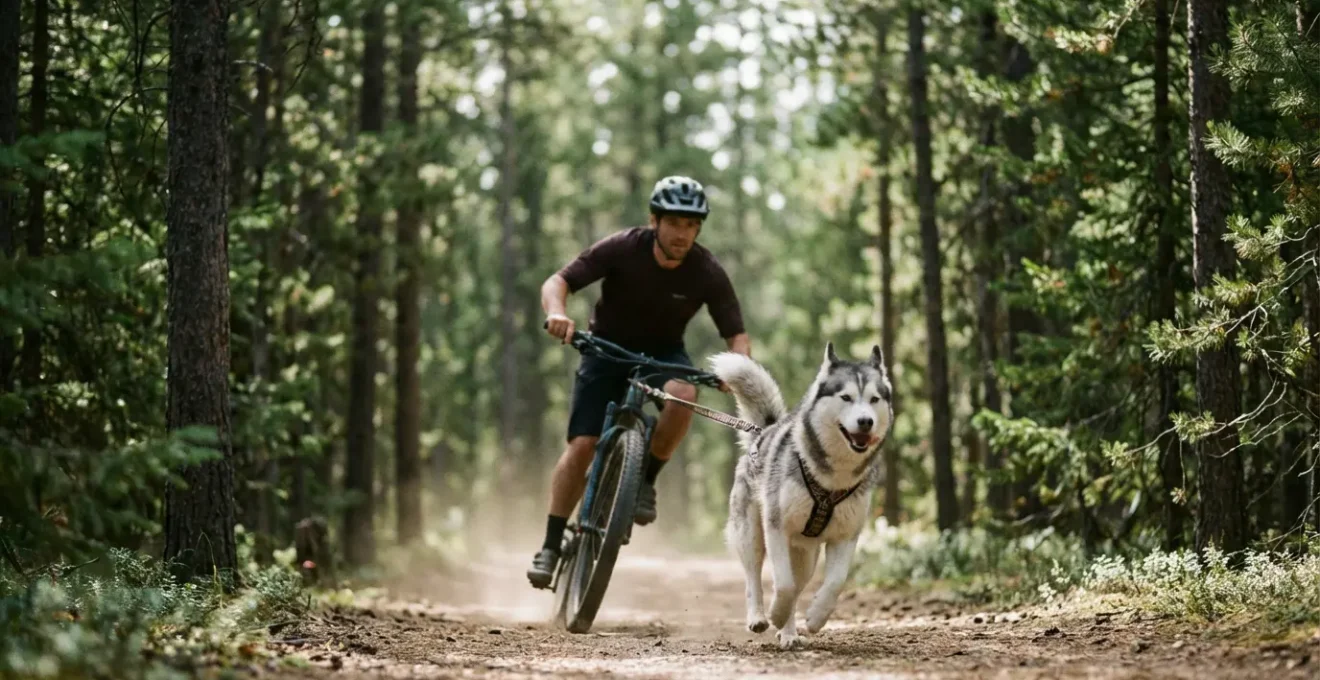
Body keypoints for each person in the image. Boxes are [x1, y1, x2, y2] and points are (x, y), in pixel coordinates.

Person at [527, 175, 752, 589]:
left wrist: (736, 368)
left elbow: (736, 334)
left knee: (684, 394)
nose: (683, 234)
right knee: (582, 446)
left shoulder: (706, 270)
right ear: (655, 221)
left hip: (663, 354)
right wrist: (558, 313)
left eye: (691, 225)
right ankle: (551, 543)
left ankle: (645, 481)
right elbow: (557, 282)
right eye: (674, 223)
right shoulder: (623, 248)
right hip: (605, 349)